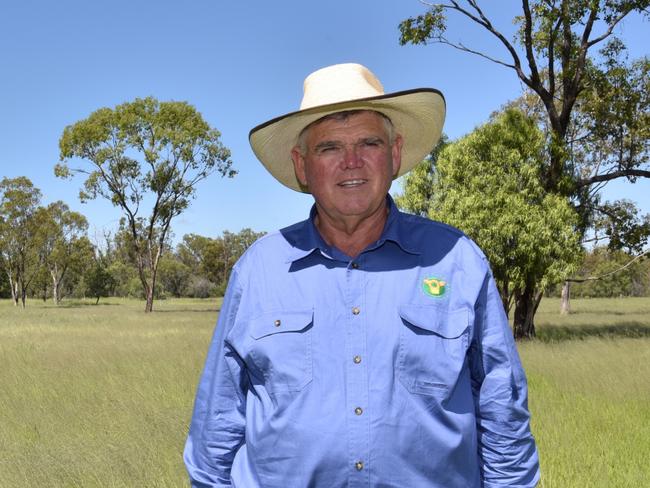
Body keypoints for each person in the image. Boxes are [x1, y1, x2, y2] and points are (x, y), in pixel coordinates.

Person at [184, 63, 540, 487]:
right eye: (329, 147)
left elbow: (503, 415)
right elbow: (216, 429)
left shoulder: (457, 261)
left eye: (369, 142)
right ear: (302, 165)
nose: (351, 162)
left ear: (393, 153)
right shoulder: (258, 271)